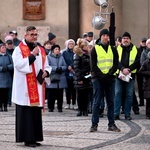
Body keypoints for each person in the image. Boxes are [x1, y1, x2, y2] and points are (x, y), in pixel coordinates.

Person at [11, 26, 51, 147]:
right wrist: (32, 56)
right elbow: (18, 65)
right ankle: (27, 138)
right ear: (25, 35)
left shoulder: (40, 49)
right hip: (24, 87)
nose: (33, 37)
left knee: (34, 113)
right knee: (26, 113)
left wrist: (46, 72)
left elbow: (47, 65)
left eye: (35, 34)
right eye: (31, 34)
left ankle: (35, 137)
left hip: (36, 86)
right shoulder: (19, 49)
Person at [89, 29, 120, 132]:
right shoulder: (95, 49)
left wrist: (110, 73)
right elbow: (93, 66)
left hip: (110, 79)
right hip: (98, 79)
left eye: (107, 35)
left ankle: (111, 124)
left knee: (111, 102)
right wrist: (102, 75)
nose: (106, 37)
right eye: (104, 35)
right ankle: (94, 124)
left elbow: (116, 64)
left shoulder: (113, 49)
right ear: (100, 37)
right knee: (97, 102)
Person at [114, 32, 140, 120]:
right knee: (117, 93)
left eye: (127, 38)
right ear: (121, 40)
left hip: (130, 76)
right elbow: (115, 61)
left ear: (130, 40)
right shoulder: (117, 49)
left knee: (129, 95)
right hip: (119, 75)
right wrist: (122, 69)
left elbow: (138, 61)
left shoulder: (135, 49)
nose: (125, 40)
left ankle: (127, 113)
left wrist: (129, 69)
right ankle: (116, 113)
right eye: (124, 38)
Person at [73, 38, 92, 116]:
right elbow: (76, 68)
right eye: (86, 45)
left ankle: (85, 109)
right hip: (80, 77)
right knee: (80, 94)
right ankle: (80, 109)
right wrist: (80, 78)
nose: (87, 46)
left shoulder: (88, 54)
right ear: (82, 46)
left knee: (86, 94)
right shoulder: (78, 55)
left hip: (87, 76)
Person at [46, 44, 67, 112]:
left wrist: (61, 68)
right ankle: (50, 107)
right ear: (52, 50)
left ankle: (60, 107)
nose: (57, 50)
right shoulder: (48, 57)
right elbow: (47, 66)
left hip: (60, 78)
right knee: (51, 94)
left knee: (60, 94)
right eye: (56, 49)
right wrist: (55, 68)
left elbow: (65, 66)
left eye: (58, 49)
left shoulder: (61, 57)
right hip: (52, 77)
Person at [62, 39, 77, 109]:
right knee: (67, 89)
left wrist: (72, 66)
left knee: (74, 89)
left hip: (74, 72)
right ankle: (68, 103)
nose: (71, 45)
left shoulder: (75, 52)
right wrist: (68, 67)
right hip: (67, 72)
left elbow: (76, 60)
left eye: (72, 44)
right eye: (69, 44)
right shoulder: (64, 52)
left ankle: (74, 103)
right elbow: (63, 61)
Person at [0, 43, 13, 112]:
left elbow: (13, 64)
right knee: (0, 93)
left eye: (4, 47)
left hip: (7, 76)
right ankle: (0, 106)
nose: (4, 49)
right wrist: (1, 68)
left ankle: (5, 106)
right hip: (0, 76)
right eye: (2, 47)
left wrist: (8, 67)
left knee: (6, 93)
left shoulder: (9, 56)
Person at [139, 51, 150, 119]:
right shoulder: (146, 62)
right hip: (148, 84)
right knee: (149, 100)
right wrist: (149, 73)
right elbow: (140, 72)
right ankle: (148, 114)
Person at [137, 37, 147, 106]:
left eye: (144, 42)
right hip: (139, 71)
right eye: (142, 42)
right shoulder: (137, 50)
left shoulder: (147, 50)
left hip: (146, 72)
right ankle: (141, 101)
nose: (143, 43)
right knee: (140, 87)